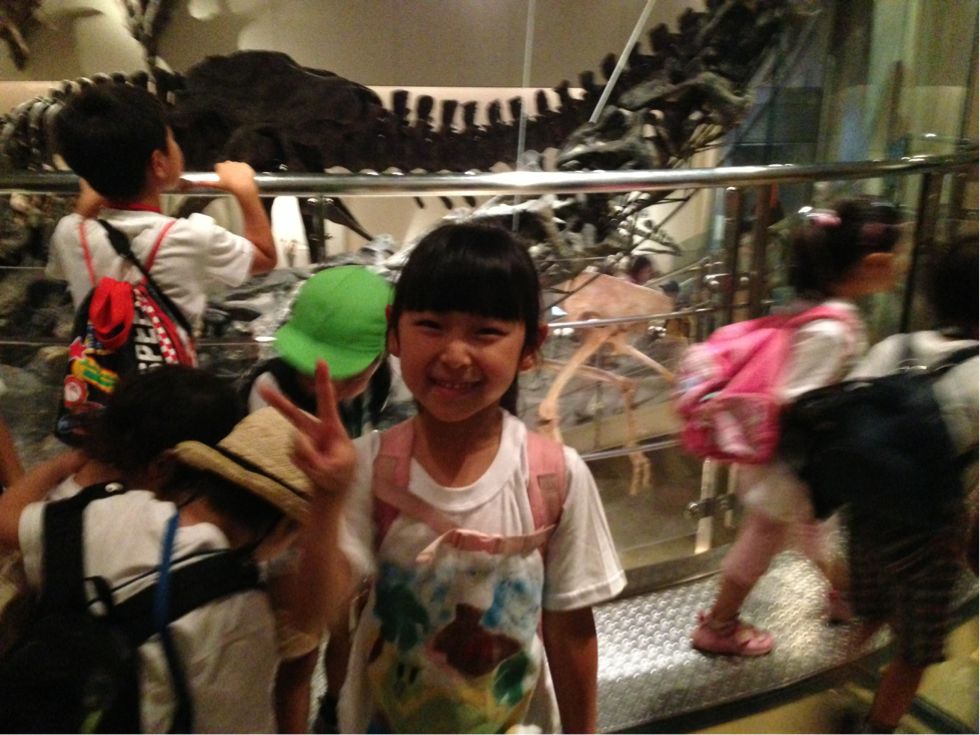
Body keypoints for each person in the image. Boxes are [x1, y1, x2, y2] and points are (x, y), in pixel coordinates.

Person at [263, 222, 626, 733]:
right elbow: (311, 615)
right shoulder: (368, 466)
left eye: (486, 333)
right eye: (431, 325)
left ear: (531, 345)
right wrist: (326, 501)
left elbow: (571, 630)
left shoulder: (557, 477)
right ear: (394, 331)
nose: (455, 355)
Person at [0, 364, 354, 732]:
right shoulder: (247, 612)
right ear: (284, 528)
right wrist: (330, 501)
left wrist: (66, 463)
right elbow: (317, 611)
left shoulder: (111, 514)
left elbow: (6, 521)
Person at [691, 198, 902, 657]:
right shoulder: (832, 329)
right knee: (762, 539)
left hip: (792, 459)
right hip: (788, 461)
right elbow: (795, 399)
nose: (901, 264)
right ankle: (720, 624)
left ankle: (843, 594)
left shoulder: (815, 311)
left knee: (814, 529)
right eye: (896, 255)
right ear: (874, 263)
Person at [841, 237, 978, 734]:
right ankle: (878, 727)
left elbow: (848, 418)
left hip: (865, 519)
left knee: (871, 611)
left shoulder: (893, 348)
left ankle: (842, 674)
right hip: (930, 538)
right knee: (914, 652)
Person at [46, 83, 277, 333]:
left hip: (97, 359)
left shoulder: (70, 233)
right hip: (172, 360)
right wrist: (245, 190)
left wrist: (96, 187)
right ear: (158, 163)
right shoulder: (191, 236)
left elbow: (65, 257)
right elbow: (265, 258)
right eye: (172, 139)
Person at [244, 264, 393, 436]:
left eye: (349, 377)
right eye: (311, 372)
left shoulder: (385, 380)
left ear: (380, 358)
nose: (329, 388)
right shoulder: (272, 390)